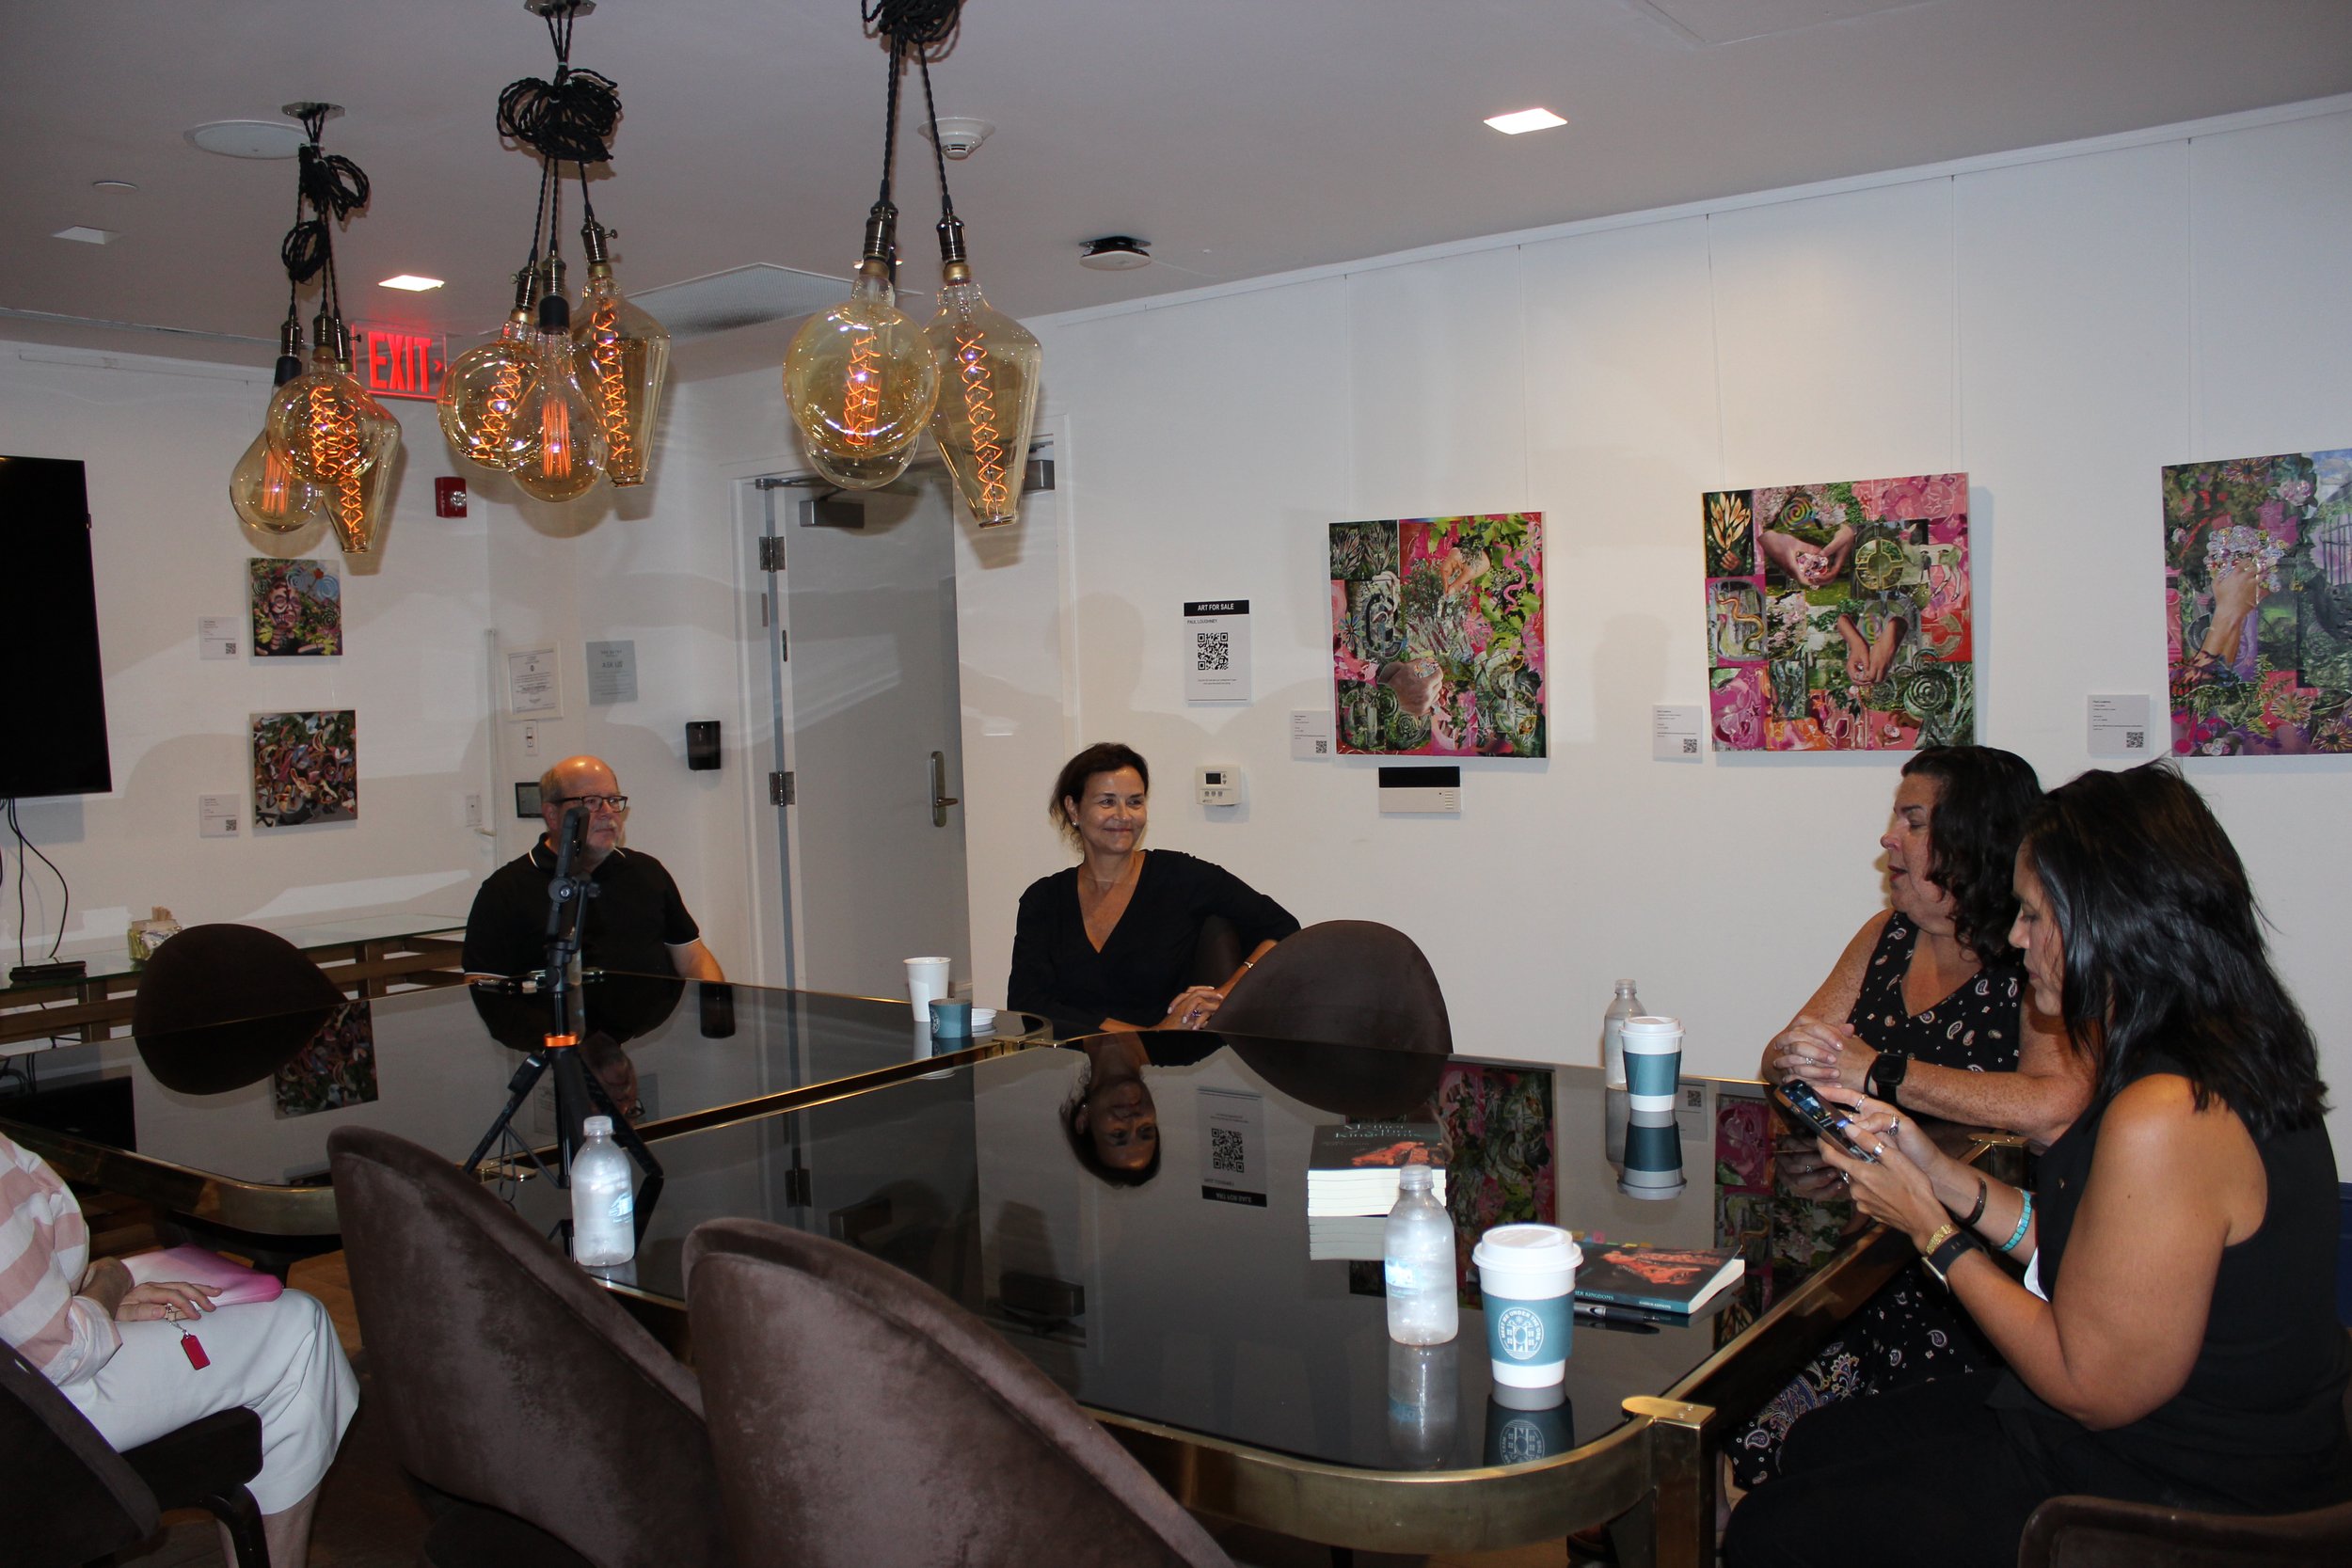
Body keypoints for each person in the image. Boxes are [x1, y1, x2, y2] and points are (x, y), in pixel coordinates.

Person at [1726, 763, 2352, 1567]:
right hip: (2153, 1431)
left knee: (1769, 1532)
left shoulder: (2168, 1113)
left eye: (2032, 914)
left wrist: (1929, 1226)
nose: (2017, 940)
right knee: (1817, 1443)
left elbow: (2083, 1378)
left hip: (2166, 1488)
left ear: (2110, 918)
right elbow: (2087, 1261)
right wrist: (1937, 1170)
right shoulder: (2220, 1041)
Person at [1729, 746, 2092, 1491]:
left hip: (1964, 1265)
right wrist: (1798, 1069)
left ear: (1971, 837)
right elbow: (1784, 1052)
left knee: (1778, 1403)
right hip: (1861, 1224)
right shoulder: (1885, 936)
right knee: (1743, 1329)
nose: (1888, 838)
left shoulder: (2031, 964)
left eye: (1912, 819)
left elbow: (2053, 1101)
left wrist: (1883, 1074)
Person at [2, 1131, 358, 1568]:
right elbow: (61, 1354)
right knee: (300, 1326)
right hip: (32, 1406)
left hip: (32, 1362)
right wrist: (110, 1281)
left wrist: (87, 1300)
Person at [1009, 742, 1298, 1037]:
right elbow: (1028, 1005)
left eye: (1134, 802)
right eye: (1107, 802)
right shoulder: (1043, 899)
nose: (1123, 815)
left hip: (1169, 1066)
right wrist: (1143, 1038)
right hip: (1071, 1061)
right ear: (1074, 809)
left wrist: (1224, 995)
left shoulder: (1181, 876)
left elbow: (1283, 927)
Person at [463, 754, 724, 983]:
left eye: (613, 800)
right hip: (550, 1036)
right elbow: (482, 984)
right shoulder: (505, 890)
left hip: (648, 1035)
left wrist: (716, 1009)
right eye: (591, 802)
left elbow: (692, 959)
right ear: (552, 815)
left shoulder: (647, 872)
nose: (608, 812)